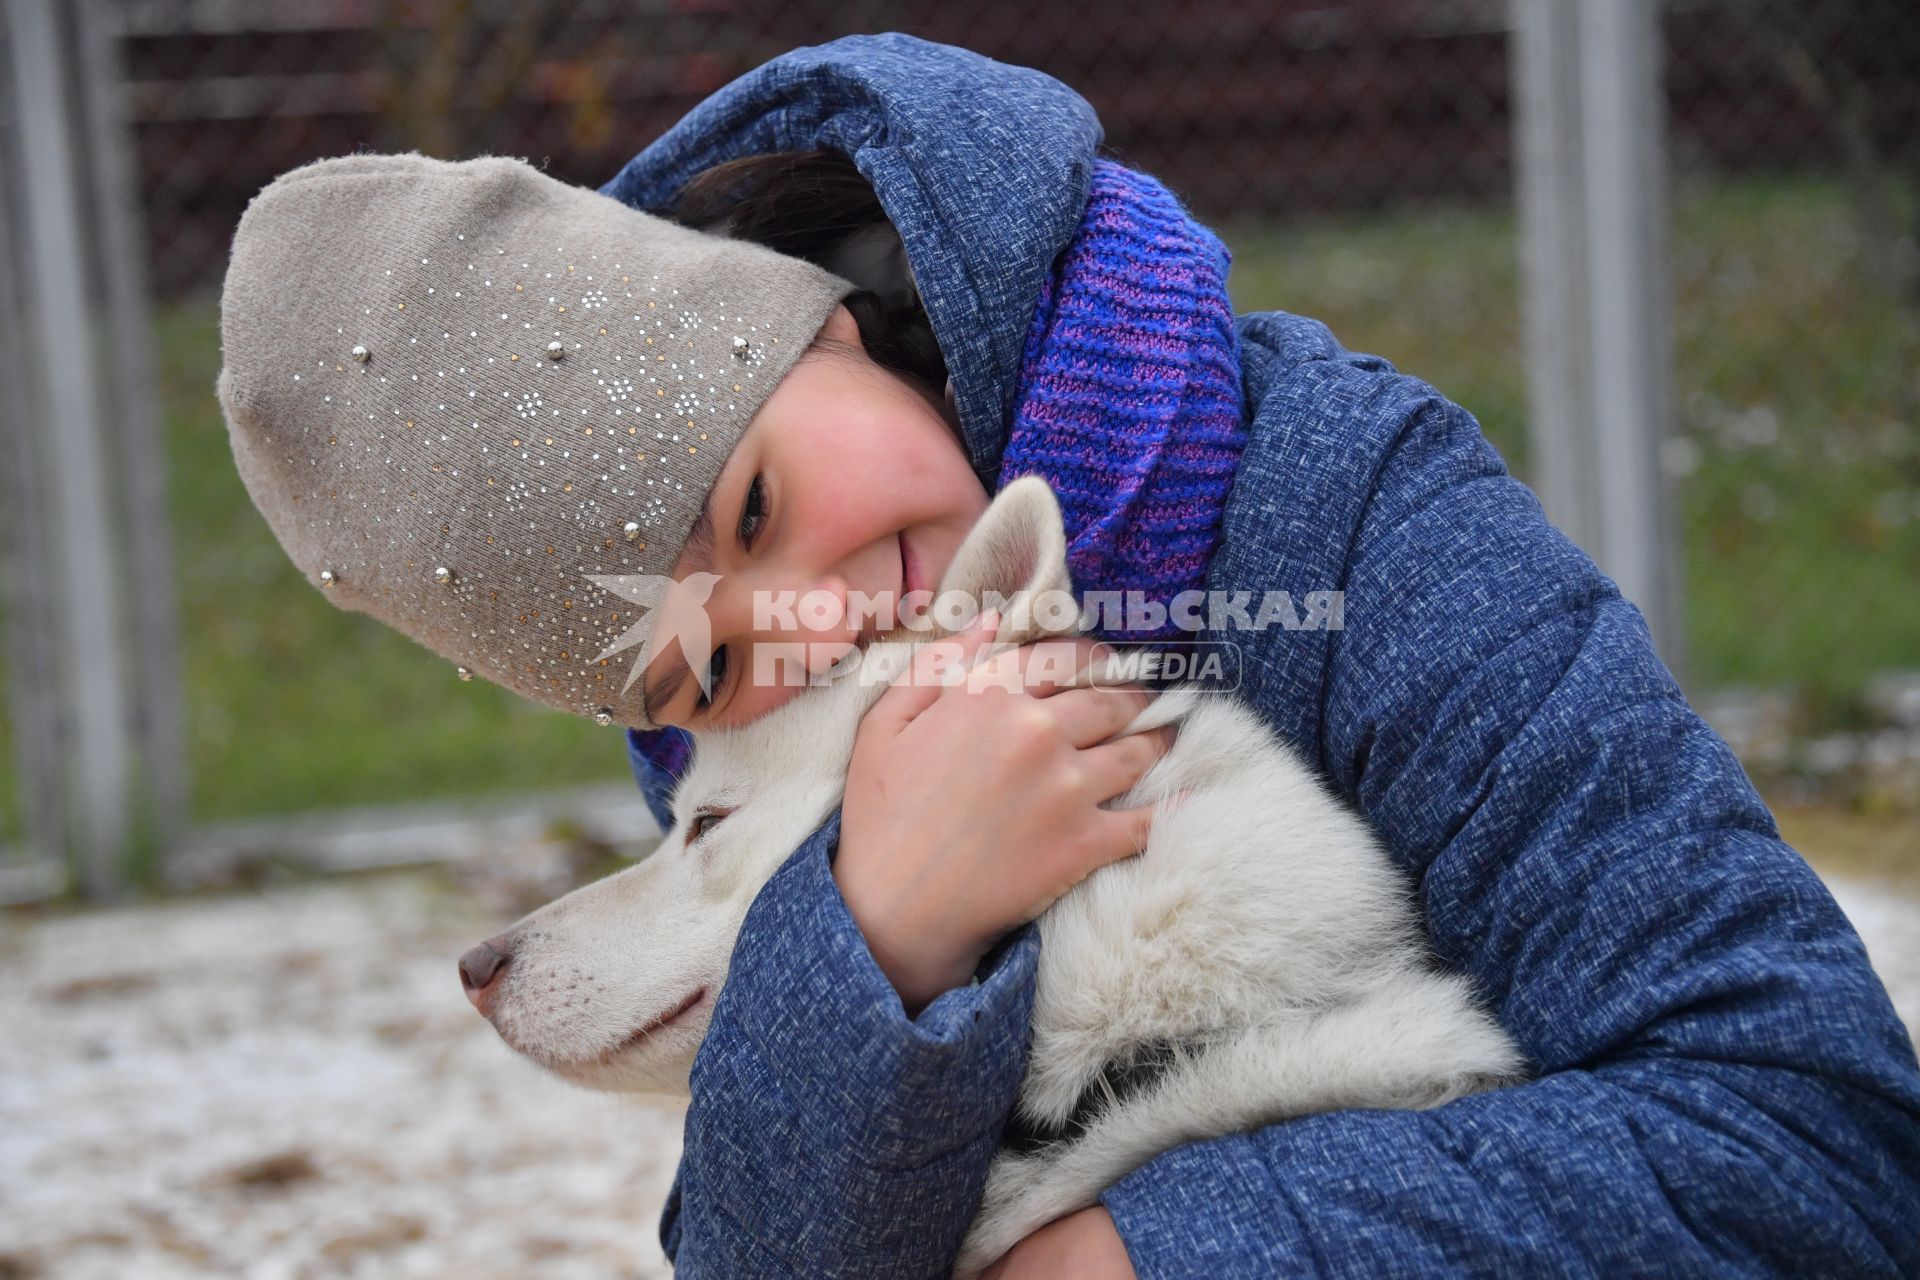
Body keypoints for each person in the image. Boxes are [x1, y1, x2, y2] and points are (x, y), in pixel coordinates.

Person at [216, 32, 1920, 1279]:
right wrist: (880, 932)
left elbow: (1821, 1146)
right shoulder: (774, 705)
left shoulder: (1346, 515)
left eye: (751, 508)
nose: (819, 617)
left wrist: (1143, 1260)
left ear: (818, 322)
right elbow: (751, 1244)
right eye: (698, 671)